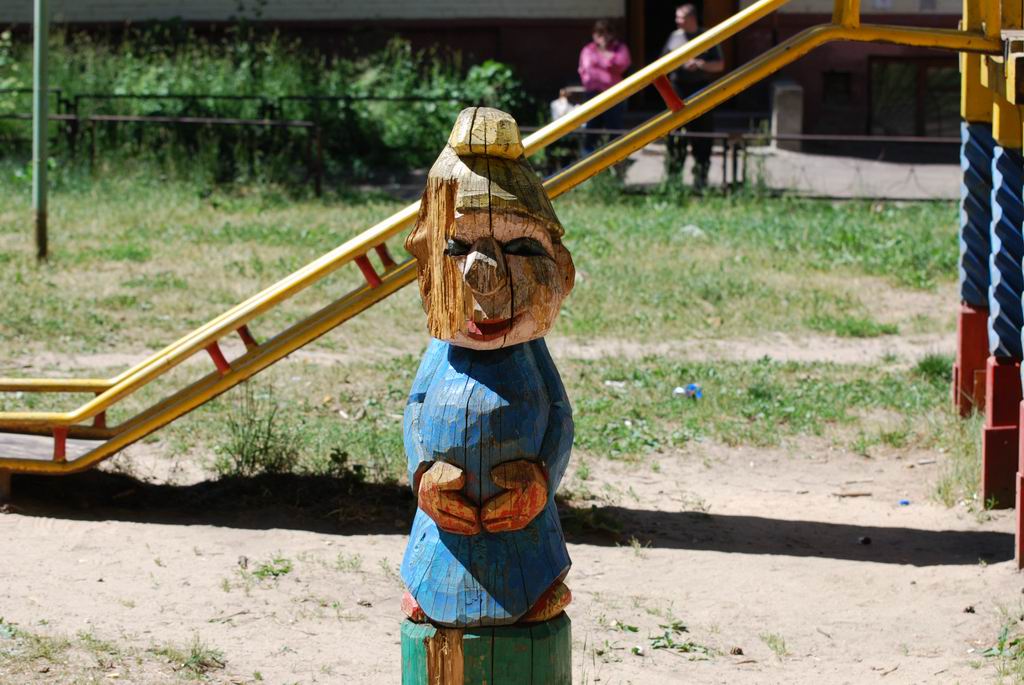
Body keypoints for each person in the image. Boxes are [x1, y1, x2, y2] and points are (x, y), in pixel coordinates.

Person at [662, 4, 725, 190]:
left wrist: (700, 64)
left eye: (680, 17)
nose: (677, 21)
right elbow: (661, 64)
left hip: (701, 90)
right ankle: (674, 182)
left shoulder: (707, 36)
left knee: (702, 136)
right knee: (675, 136)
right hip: (677, 90)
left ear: (691, 18)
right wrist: (680, 63)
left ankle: (701, 179)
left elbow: (720, 65)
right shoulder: (674, 37)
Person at [578, 20, 631, 152]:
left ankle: (617, 157)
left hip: (613, 94)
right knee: (592, 128)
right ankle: (588, 158)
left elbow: (622, 65)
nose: (603, 37)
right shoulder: (588, 49)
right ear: (594, 34)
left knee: (614, 128)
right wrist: (606, 62)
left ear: (612, 34)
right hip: (593, 93)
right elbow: (585, 69)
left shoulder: (620, 48)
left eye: (606, 33)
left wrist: (603, 56)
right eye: (599, 33)